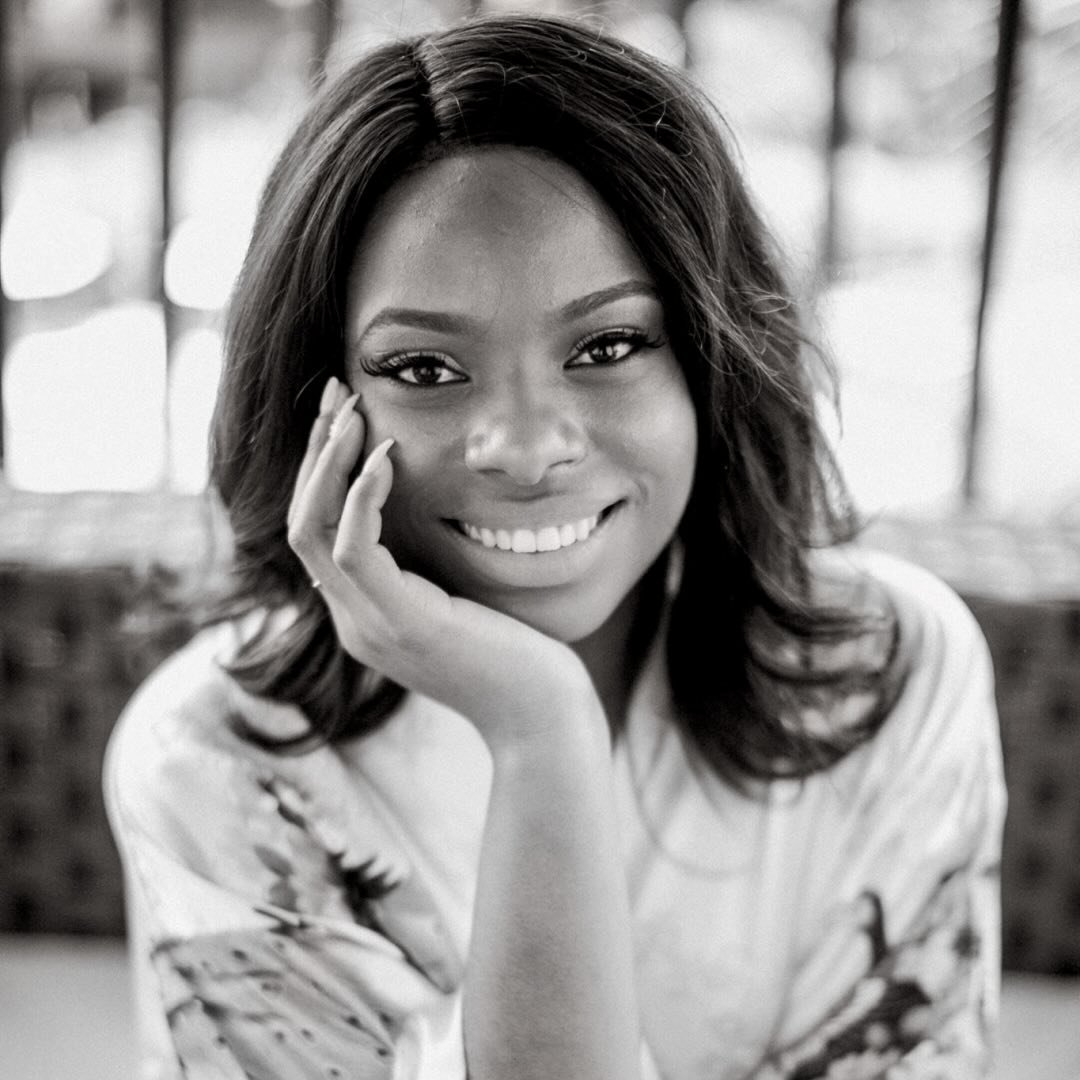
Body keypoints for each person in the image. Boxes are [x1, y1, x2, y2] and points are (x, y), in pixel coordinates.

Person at [105, 13, 1006, 1080]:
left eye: (608, 345)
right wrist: (542, 732)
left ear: (713, 359)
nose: (528, 449)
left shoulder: (889, 673)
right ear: (317, 403)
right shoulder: (216, 763)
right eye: (426, 369)